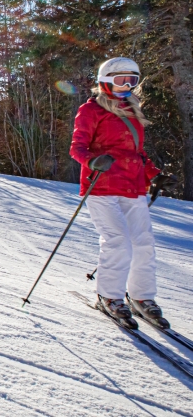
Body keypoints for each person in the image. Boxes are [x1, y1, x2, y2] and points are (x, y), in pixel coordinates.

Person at [70, 57, 176, 329]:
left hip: (132, 186)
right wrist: (93, 161)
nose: (126, 85)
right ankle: (110, 296)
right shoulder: (90, 110)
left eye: (132, 80)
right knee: (118, 241)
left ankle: (141, 297)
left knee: (143, 243)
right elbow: (77, 148)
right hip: (102, 186)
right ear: (105, 81)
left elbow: (136, 153)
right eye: (120, 80)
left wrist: (155, 175)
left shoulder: (131, 110)